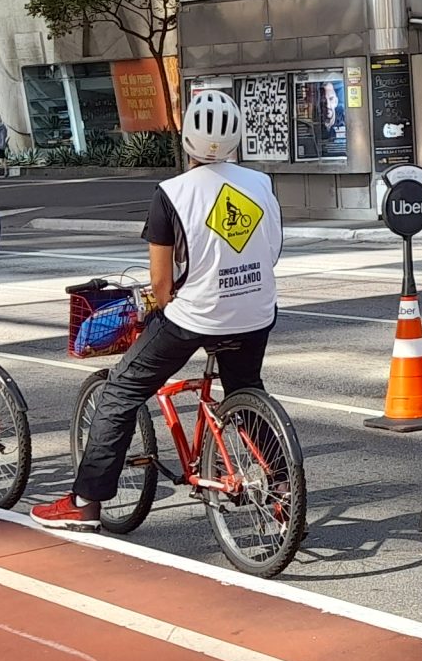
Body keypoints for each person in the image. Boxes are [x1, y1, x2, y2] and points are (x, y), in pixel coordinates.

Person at [31, 90, 281, 527]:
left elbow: (163, 286)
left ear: (185, 142)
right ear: (238, 138)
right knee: (245, 389)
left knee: (121, 392)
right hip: (257, 310)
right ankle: (280, 487)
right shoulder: (260, 184)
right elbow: (272, 251)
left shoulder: (172, 193)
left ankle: (86, 501)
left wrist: (160, 307)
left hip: (196, 316)